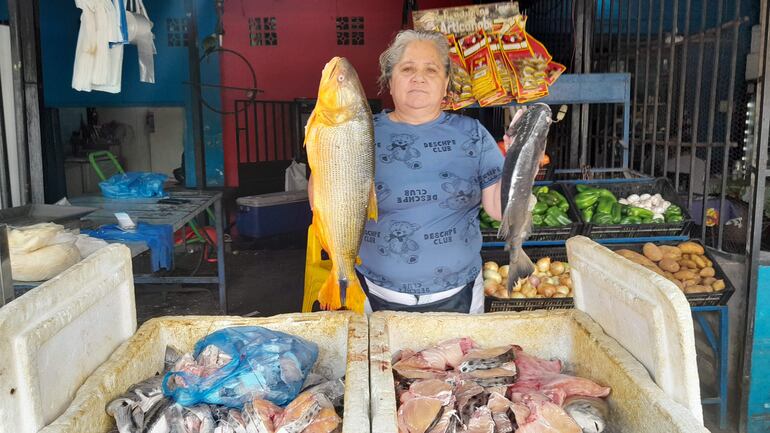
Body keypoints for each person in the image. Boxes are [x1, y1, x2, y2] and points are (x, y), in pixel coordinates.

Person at [311, 29, 506, 313]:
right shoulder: (359, 131)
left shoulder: (473, 135)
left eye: (431, 69)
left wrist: (521, 167)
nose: (419, 77)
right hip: (373, 291)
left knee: (454, 358)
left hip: (458, 295)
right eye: (407, 68)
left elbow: (500, 210)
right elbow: (321, 200)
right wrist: (326, 148)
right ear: (390, 81)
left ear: (445, 82)